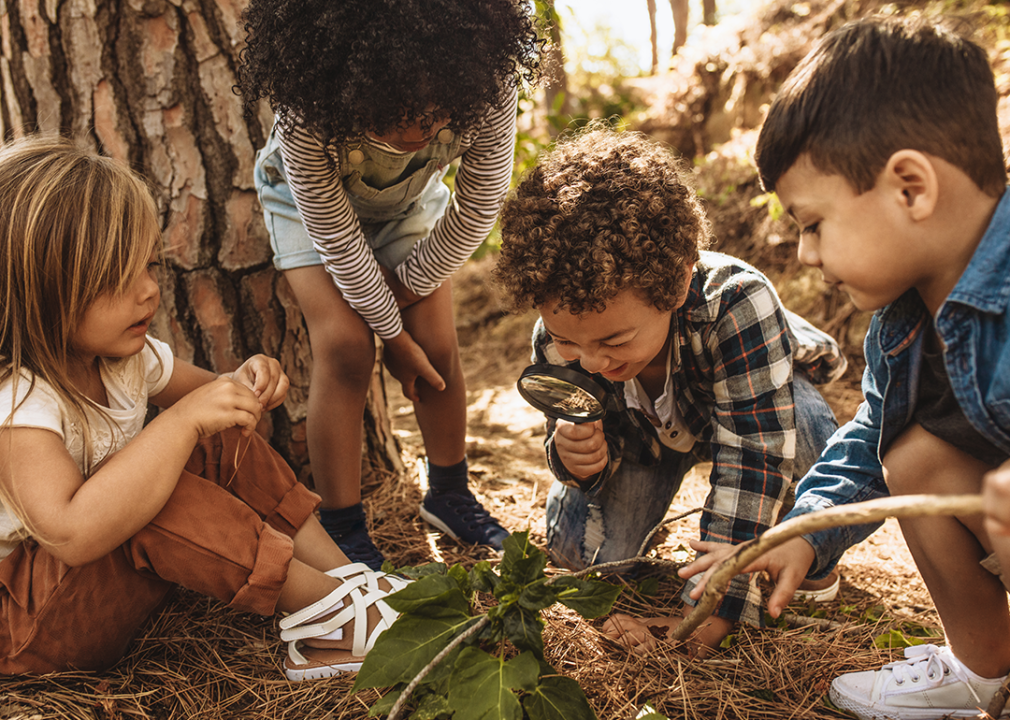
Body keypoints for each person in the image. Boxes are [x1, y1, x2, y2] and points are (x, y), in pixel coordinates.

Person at [681, 15, 1010, 719]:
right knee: (912, 456)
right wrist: (801, 533)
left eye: (812, 224)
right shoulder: (901, 321)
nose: (803, 255)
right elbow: (866, 441)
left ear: (910, 189)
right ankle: (982, 668)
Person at [0, 136, 408, 680]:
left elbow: (214, 397)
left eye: (149, 266)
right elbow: (72, 533)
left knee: (216, 435)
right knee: (156, 490)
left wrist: (245, 382)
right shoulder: (20, 404)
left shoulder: (125, 358)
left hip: (90, 589)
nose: (148, 292)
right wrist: (182, 421)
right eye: (118, 279)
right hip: (31, 627)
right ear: (40, 292)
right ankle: (330, 615)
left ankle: (348, 581)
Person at [491, 126, 847, 654]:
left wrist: (712, 607)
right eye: (570, 341)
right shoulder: (560, 336)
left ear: (677, 283)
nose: (591, 361)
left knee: (811, 434)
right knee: (580, 557)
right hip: (644, 441)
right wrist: (575, 459)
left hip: (745, 403)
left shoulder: (737, 303)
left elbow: (753, 454)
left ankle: (809, 552)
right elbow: (565, 427)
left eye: (614, 339)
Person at [236, 0, 543, 570]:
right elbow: (339, 244)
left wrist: (403, 306)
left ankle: (451, 495)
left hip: (408, 206)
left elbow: (476, 211)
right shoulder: (308, 112)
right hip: (308, 211)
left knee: (437, 343)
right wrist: (390, 340)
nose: (416, 130)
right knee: (347, 347)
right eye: (391, 113)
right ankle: (344, 525)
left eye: (434, 113)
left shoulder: (489, 84)